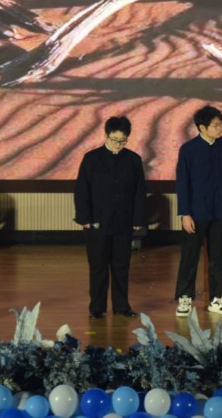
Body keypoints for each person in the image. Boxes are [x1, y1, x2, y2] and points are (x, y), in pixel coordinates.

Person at [74, 115, 147, 319]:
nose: (118, 144)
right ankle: (97, 308)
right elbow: (81, 190)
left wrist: (138, 220)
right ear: (106, 136)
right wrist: (84, 218)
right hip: (96, 223)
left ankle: (122, 307)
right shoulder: (91, 158)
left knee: (121, 266)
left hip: (124, 223)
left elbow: (139, 192)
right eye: (114, 140)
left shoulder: (133, 160)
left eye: (123, 141)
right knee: (98, 266)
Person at [174, 105, 222, 317]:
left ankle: (217, 298)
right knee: (190, 256)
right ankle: (185, 298)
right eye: (215, 125)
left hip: (220, 210)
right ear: (202, 128)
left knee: (217, 257)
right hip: (196, 211)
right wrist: (185, 214)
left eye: (220, 125)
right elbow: (182, 184)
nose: (220, 129)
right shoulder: (188, 149)